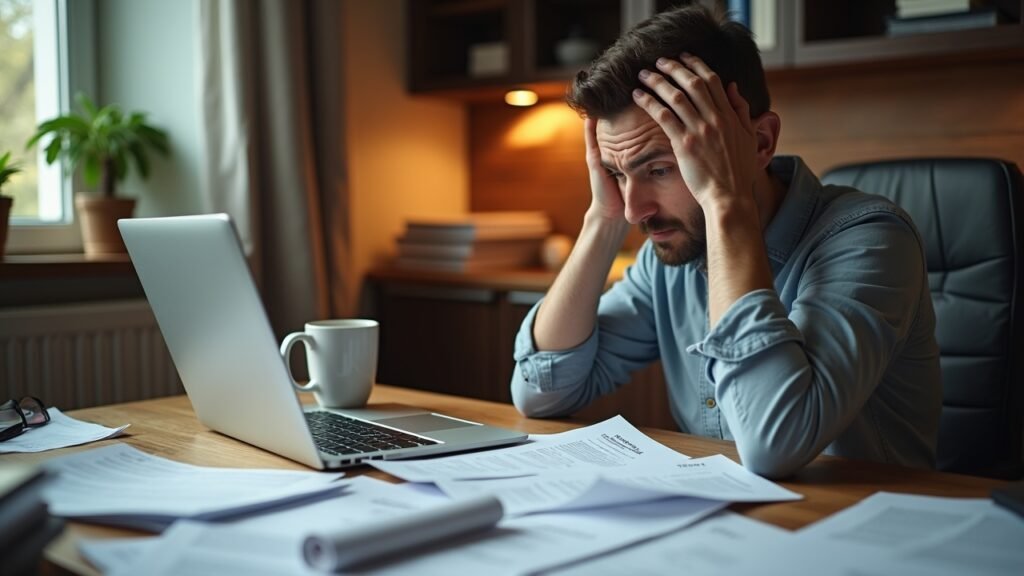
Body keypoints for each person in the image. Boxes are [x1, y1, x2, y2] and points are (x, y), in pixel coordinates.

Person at [509, 4, 941, 478]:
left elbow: (773, 444)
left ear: (759, 144)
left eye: (659, 169)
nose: (636, 209)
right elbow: (542, 392)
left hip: (863, 532)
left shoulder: (870, 241)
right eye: (616, 173)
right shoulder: (671, 253)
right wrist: (602, 218)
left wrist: (725, 202)